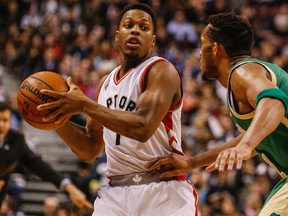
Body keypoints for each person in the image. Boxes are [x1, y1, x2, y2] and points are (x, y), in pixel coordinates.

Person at [37, 3, 198, 216]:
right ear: (117, 35)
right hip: (115, 194)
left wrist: (85, 105)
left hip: (163, 191)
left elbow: (142, 127)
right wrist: (55, 117)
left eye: (144, 27)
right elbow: (90, 148)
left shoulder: (160, 71)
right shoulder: (105, 84)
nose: (135, 30)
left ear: (153, 39)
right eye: (128, 25)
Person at [148, 11, 288, 215]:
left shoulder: (243, 72)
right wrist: (192, 162)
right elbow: (261, 137)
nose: (199, 52)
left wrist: (246, 145)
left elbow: (274, 102)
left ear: (215, 49)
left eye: (202, 44)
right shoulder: (248, 78)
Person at [0, 101, 93, 210]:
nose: (1, 125)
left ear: (11, 122)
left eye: (5, 120)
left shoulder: (16, 140)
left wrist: (69, 187)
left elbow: (38, 165)